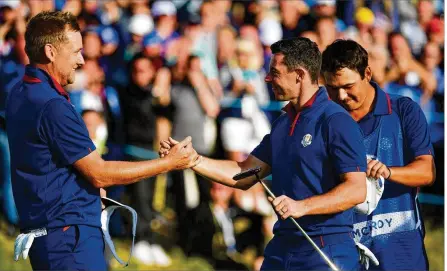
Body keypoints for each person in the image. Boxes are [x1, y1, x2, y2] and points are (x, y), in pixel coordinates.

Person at [5, 11, 200, 271]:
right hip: (69, 241)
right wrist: (169, 163)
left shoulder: (20, 93)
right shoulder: (51, 104)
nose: (81, 60)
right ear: (51, 52)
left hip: (51, 237)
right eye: (75, 52)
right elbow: (100, 173)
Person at [160, 37, 368, 271]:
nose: (267, 78)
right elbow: (245, 173)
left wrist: (303, 206)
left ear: (299, 75)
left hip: (325, 250)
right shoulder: (282, 123)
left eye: (275, 72)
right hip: (282, 248)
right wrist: (192, 159)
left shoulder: (336, 121)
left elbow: (356, 189)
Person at [321, 39, 436, 271]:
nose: (341, 95)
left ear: (368, 73)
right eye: (333, 88)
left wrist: (388, 171)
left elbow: (427, 171)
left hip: (402, 252)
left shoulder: (404, 110)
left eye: (348, 86)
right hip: (347, 251)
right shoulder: (323, 122)